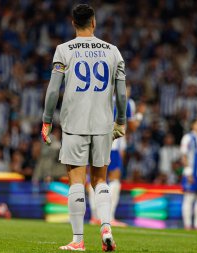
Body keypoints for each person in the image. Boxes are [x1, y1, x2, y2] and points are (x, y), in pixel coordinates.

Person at [41, 4, 127, 251]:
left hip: (74, 125)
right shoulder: (113, 52)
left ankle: (78, 240)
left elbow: (53, 90)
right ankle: (106, 226)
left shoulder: (64, 50)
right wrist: (120, 121)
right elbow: (121, 94)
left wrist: (47, 120)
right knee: (100, 180)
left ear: (72, 24)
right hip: (102, 124)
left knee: (76, 181)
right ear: (94, 22)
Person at [89, 90, 145, 227]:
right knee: (114, 181)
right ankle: (109, 217)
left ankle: (95, 216)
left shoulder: (99, 97)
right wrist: (139, 115)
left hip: (96, 143)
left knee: (95, 179)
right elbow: (131, 127)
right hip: (113, 146)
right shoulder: (127, 102)